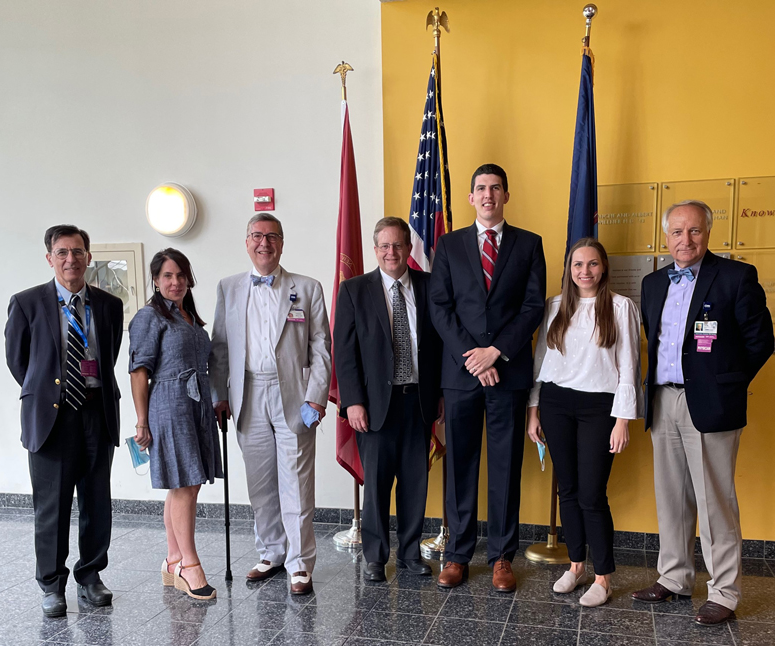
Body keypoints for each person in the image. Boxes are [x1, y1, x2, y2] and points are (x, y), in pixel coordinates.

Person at [633, 200, 774, 625]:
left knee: (715, 502)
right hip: (663, 400)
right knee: (671, 498)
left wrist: (725, 384)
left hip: (712, 405)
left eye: (694, 231)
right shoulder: (653, 283)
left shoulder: (735, 277)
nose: (685, 240)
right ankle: (674, 577)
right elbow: (653, 341)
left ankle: (725, 593)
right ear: (666, 237)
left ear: (708, 233)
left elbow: (759, 342)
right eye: (677, 232)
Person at [429, 163, 546, 592]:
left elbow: (533, 307)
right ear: (470, 197)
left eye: (496, 188)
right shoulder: (449, 244)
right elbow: (440, 306)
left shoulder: (529, 244)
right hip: (461, 377)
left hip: (508, 373)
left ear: (506, 196)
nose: (488, 195)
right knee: (460, 466)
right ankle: (457, 555)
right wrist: (472, 357)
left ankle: (501, 557)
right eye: (480, 188)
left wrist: (496, 352)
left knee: (504, 467)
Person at [209, 213, 331, 595]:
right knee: (260, 484)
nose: (264, 243)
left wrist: (316, 396)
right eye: (257, 236)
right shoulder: (228, 288)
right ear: (247, 241)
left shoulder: (306, 288)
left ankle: (299, 563)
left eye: (272, 236)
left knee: (296, 482)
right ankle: (272, 551)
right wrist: (220, 396)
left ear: (282, 242)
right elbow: (219, 348)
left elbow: (321, 347)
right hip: (248, 395)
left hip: (294, 395)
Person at [5, 225, 123, 617]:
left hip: (95, 411)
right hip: (51, 418)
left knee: (97, 502)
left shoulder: (108, 304)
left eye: (77, 251)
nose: (70, 259)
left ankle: (90, 577)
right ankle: (52, 585)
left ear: (88, 256)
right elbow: (19, 362)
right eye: (62, 252)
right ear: (49, 258)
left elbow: (109, 357)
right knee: (51, 507)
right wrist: (49, 393)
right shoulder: (26, 303)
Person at [526, 238, 642, 607]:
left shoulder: (621, 307)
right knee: (568, 491)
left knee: (592, 495)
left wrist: (623, 419)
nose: (585, 271)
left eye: (592, 264)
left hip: (600, 407)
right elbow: (541, 361)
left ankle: (604, 577)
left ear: (603, 267)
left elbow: (629, 366)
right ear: (569, 269)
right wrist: (534, 410)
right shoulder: (555, 306)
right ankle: (576, 565)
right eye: (578, 265)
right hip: (557, 403)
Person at [333, 217, 444, 582]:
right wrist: (353, 402)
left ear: (409, 249)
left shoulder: (429, 286)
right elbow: (345, 352)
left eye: (398, 245)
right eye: (384, 246)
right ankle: (376, 558)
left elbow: (440, 346)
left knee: (415, 482)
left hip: (419, 402)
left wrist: (441, 395)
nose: (391, 252)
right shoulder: (354, 290)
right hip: (374, 405)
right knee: (378, 486)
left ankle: (411, 554)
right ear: (375, 249)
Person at [128, 248, 223, 601]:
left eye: (181, 275)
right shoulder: (149, 317)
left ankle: (172, 560)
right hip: (169, 403)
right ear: (155, 279)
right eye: (168, 275)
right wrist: (141, 421)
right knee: (184, 484)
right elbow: (139, 372)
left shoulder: (189, 317)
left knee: (186, 485)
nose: (175, 282)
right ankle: (190, 565)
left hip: (196, 403)